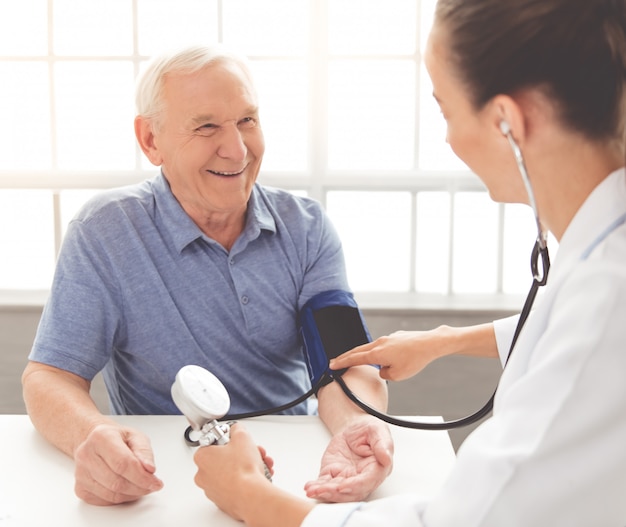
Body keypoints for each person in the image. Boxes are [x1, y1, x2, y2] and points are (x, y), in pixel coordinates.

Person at [191, 0, 626, 525]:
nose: (447, 138)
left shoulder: (608, 296)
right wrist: (447, 339)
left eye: (446, 109)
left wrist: (248, 496)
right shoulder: (602, 263)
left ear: (508, 123)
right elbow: (566, 328)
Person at [21, 45, 393, 507]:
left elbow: (347, 363)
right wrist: (94, 434)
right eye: (206, 126)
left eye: (248, 121)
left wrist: (357, 425)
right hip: (164, 479)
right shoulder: (105, 232)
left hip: (299, 468)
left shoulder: (307, 228)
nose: (237, 149)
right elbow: (49, 377)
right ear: (151, 140)